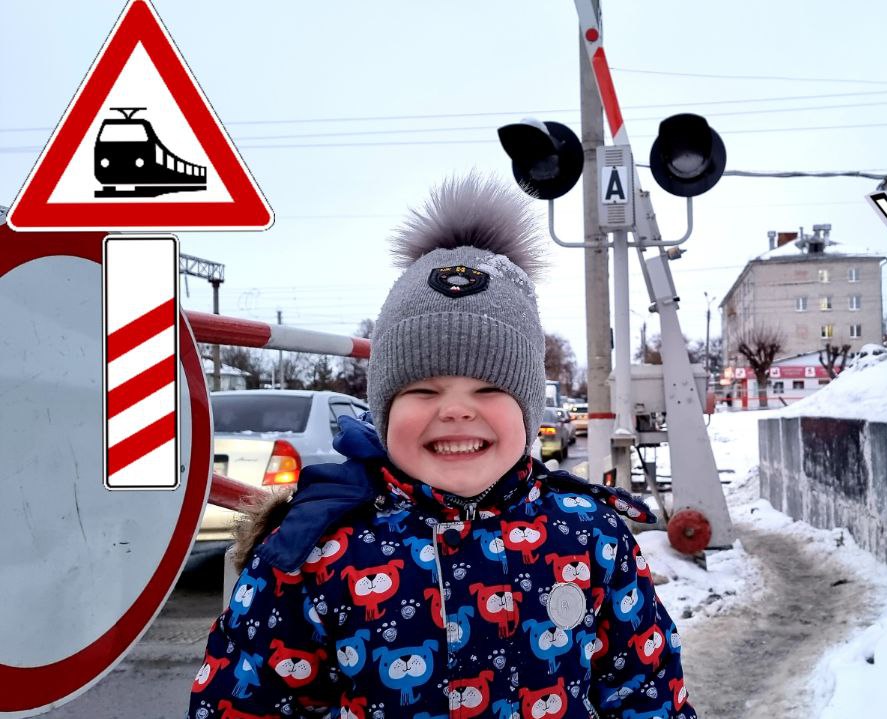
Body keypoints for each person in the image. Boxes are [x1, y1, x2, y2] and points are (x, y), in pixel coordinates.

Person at [188, 174, 695, 719]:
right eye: (423, 390)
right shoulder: (316, 551)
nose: (455, 410)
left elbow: (646, 692)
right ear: (382, 411)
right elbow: (242, 701)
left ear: (528, 409)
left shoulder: (591, 536)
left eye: (489, 388)